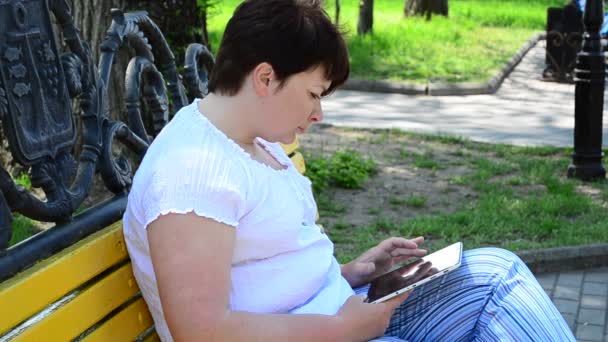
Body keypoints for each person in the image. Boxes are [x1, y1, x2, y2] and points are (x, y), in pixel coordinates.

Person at [122, 0, 576, 341]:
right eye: (314, 93)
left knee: (496, 273)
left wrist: (353, 272)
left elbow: (266, 274)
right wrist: (341, 329)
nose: (318, 113)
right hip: (332, 332)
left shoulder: (250, 142)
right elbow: (202, 332)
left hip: (340, 313)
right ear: (265, 78)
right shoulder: (191, 173)